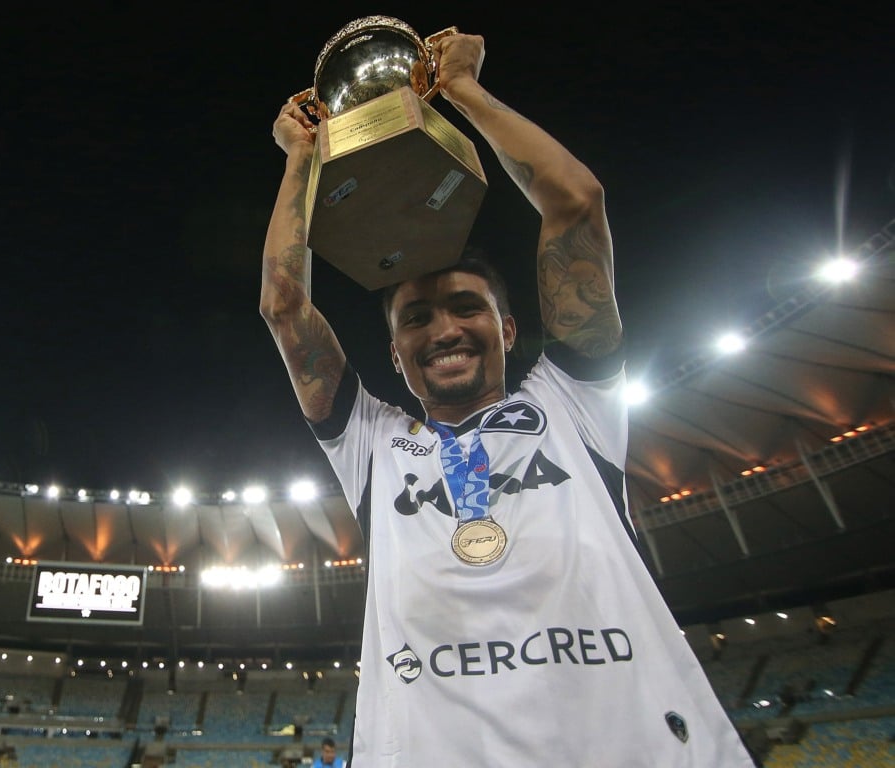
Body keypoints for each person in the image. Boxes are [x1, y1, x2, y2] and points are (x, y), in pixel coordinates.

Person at [259, 30, 756, 767]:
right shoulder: (373, 447)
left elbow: (577, 204)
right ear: (395, 355)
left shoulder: (571, 405)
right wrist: (302, 158)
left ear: (509, 328)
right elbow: (284, 308)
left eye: (467, 307)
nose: (444, 330)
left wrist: (463, 91)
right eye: (415, 319)